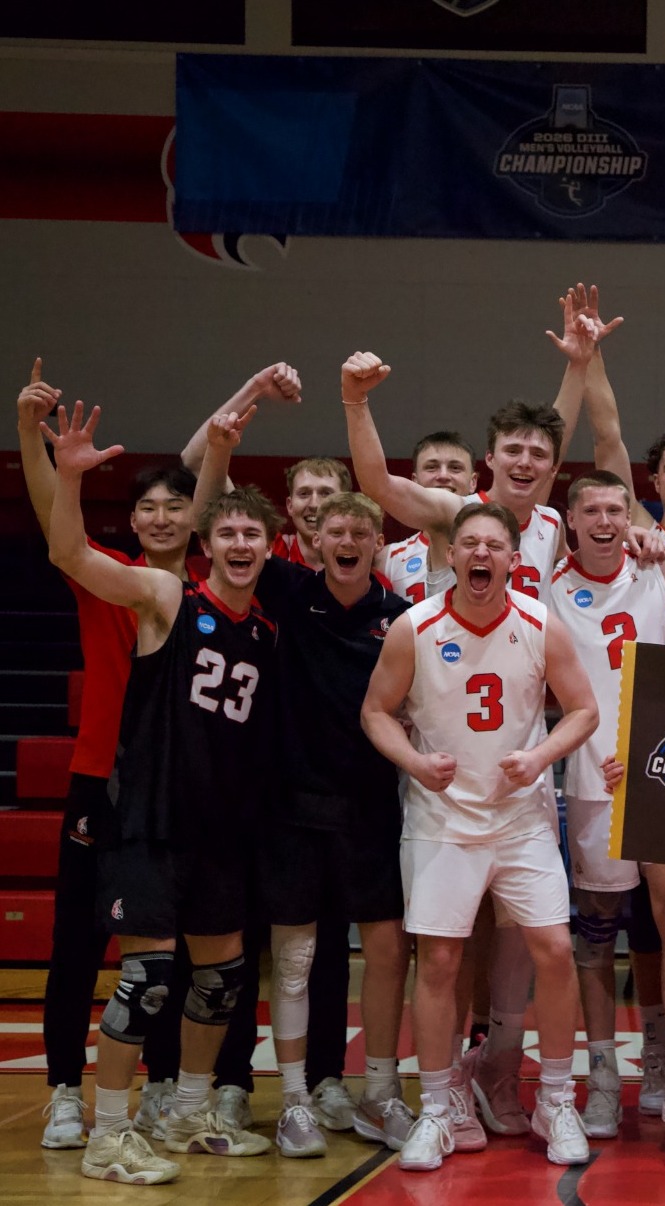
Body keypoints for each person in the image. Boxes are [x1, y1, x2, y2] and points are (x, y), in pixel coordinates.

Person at [43, 402, 282, 1185]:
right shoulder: (165, 596)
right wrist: (70, 478)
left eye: (252, 534)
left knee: (220, 980)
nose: (239, 544)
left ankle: (184, 1112)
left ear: (269, 547)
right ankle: (110, 1135)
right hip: (149, 823)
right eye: (227, 533)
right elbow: (70, 552)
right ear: (205, 545)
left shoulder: (265, 631)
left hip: (219, 834)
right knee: (146, 983)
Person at [190, 407, 419, 1159]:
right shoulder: (287, 590)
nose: (346, 542)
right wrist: (219, 448)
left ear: (378, 544)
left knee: (386, 952)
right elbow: (211, 521)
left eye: (360, 533)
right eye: (335, 532)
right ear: (314, 540)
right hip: (290, 808)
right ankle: (292, 1101)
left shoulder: (404, 619)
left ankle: (380, 1090)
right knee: (292, 958)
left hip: (372, 810)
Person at [361, 502, 601, 1172]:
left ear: (513, 560)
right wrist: (413, 763)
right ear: (451, 554)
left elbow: (583, 709)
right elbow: (375, 711)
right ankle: (439, 1109)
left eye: (494, 545)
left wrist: (540, 756)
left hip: (521, 820)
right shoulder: (414, 627)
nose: (481, 554)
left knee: (555, 949)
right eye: (469, 543)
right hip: (442, 822)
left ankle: (556, 1101)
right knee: (439, 962)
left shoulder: (540, 624)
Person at [17, 363, 208, 1151]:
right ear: (130, 521)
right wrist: (32, 438)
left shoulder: (215, 594)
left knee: (171, 948)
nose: (161, 518)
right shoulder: (108, 579)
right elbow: (54, 523)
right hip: (101, 784)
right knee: (77, 944)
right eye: (148, 508)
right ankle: (66, 1091)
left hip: (177, 794)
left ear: (196, 518)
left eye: (175, 507)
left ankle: (160, 1087)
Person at [546, 470, 665, 1137]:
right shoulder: (548, 590)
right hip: (594, 783)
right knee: (595, 934)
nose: (604, 520)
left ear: (631, 518)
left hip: (662, 776)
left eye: (615, 510)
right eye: (590, 510)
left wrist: (662, 542)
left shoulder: (662, 569)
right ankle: (601, 1077)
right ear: (571, 520)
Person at [383, 431, 478, 604]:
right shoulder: (389, 558)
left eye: (455, 468)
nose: (443, 476)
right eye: (431, 467)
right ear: (414, 481)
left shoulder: (493, 551)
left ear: (473, 482)